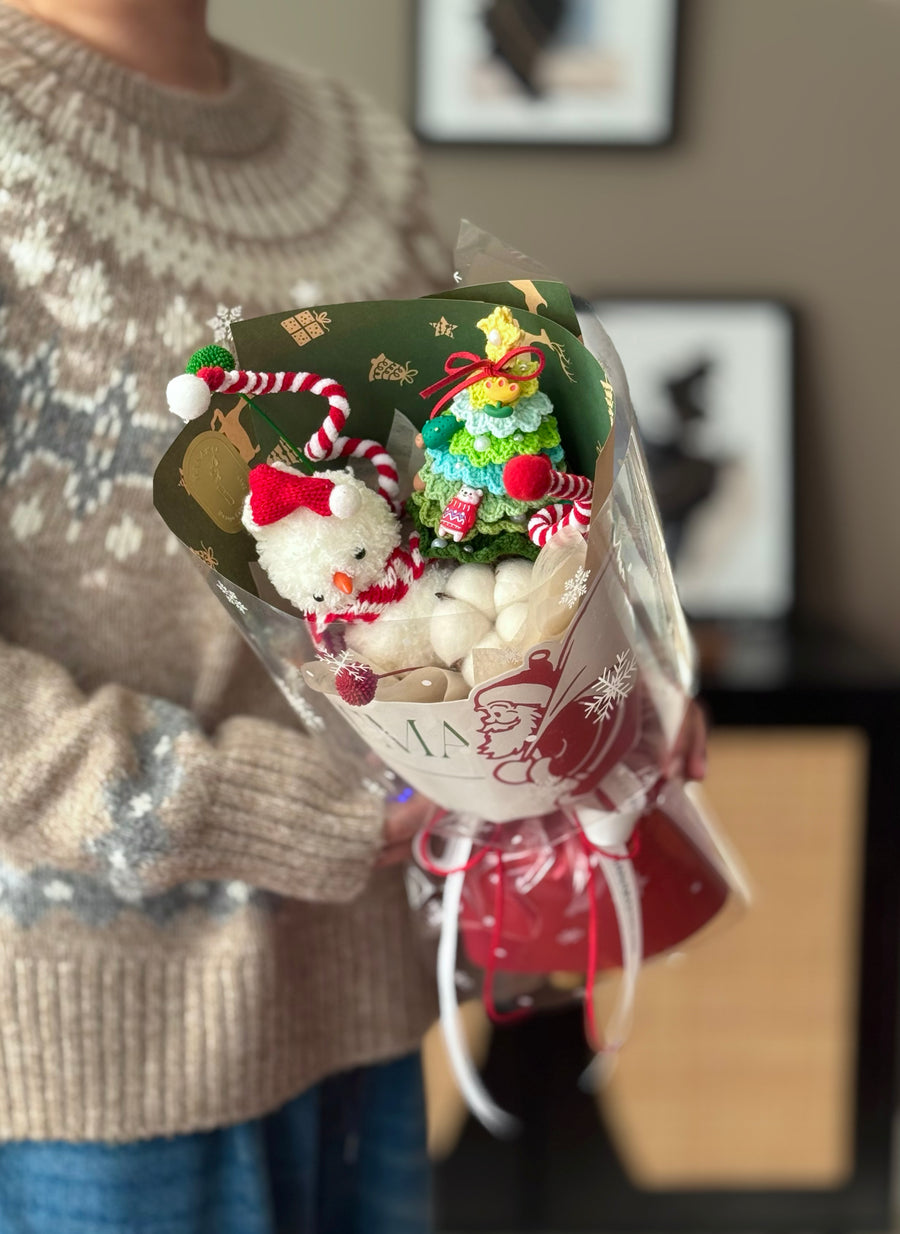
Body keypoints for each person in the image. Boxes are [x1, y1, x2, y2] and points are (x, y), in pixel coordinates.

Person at [0, 1, 450, 1231]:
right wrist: (272, 806)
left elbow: (458, 513)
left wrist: (601, 693)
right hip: (78, 1070)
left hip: (359, 1011)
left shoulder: (360, 149)